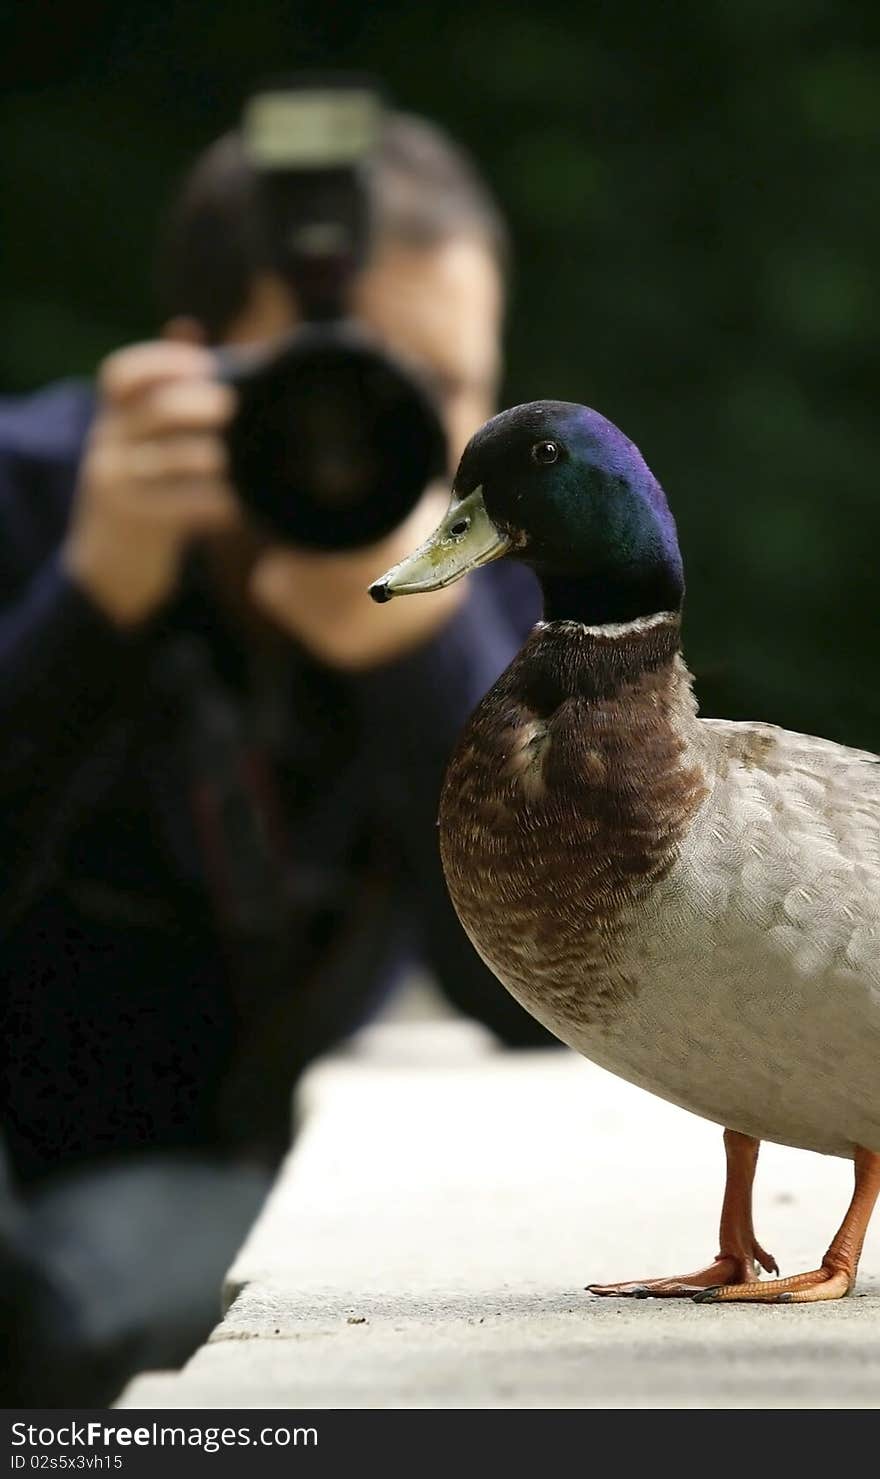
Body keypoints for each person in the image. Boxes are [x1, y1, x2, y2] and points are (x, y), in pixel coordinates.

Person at [0, 109, 548, 1404]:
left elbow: (531, 995)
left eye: (443, 391)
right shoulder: (34, 495)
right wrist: (87, 615)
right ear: (195, 365)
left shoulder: (485, 567)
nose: (381, 440)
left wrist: (414, 656)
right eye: (340, 375)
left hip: (205, 1183)